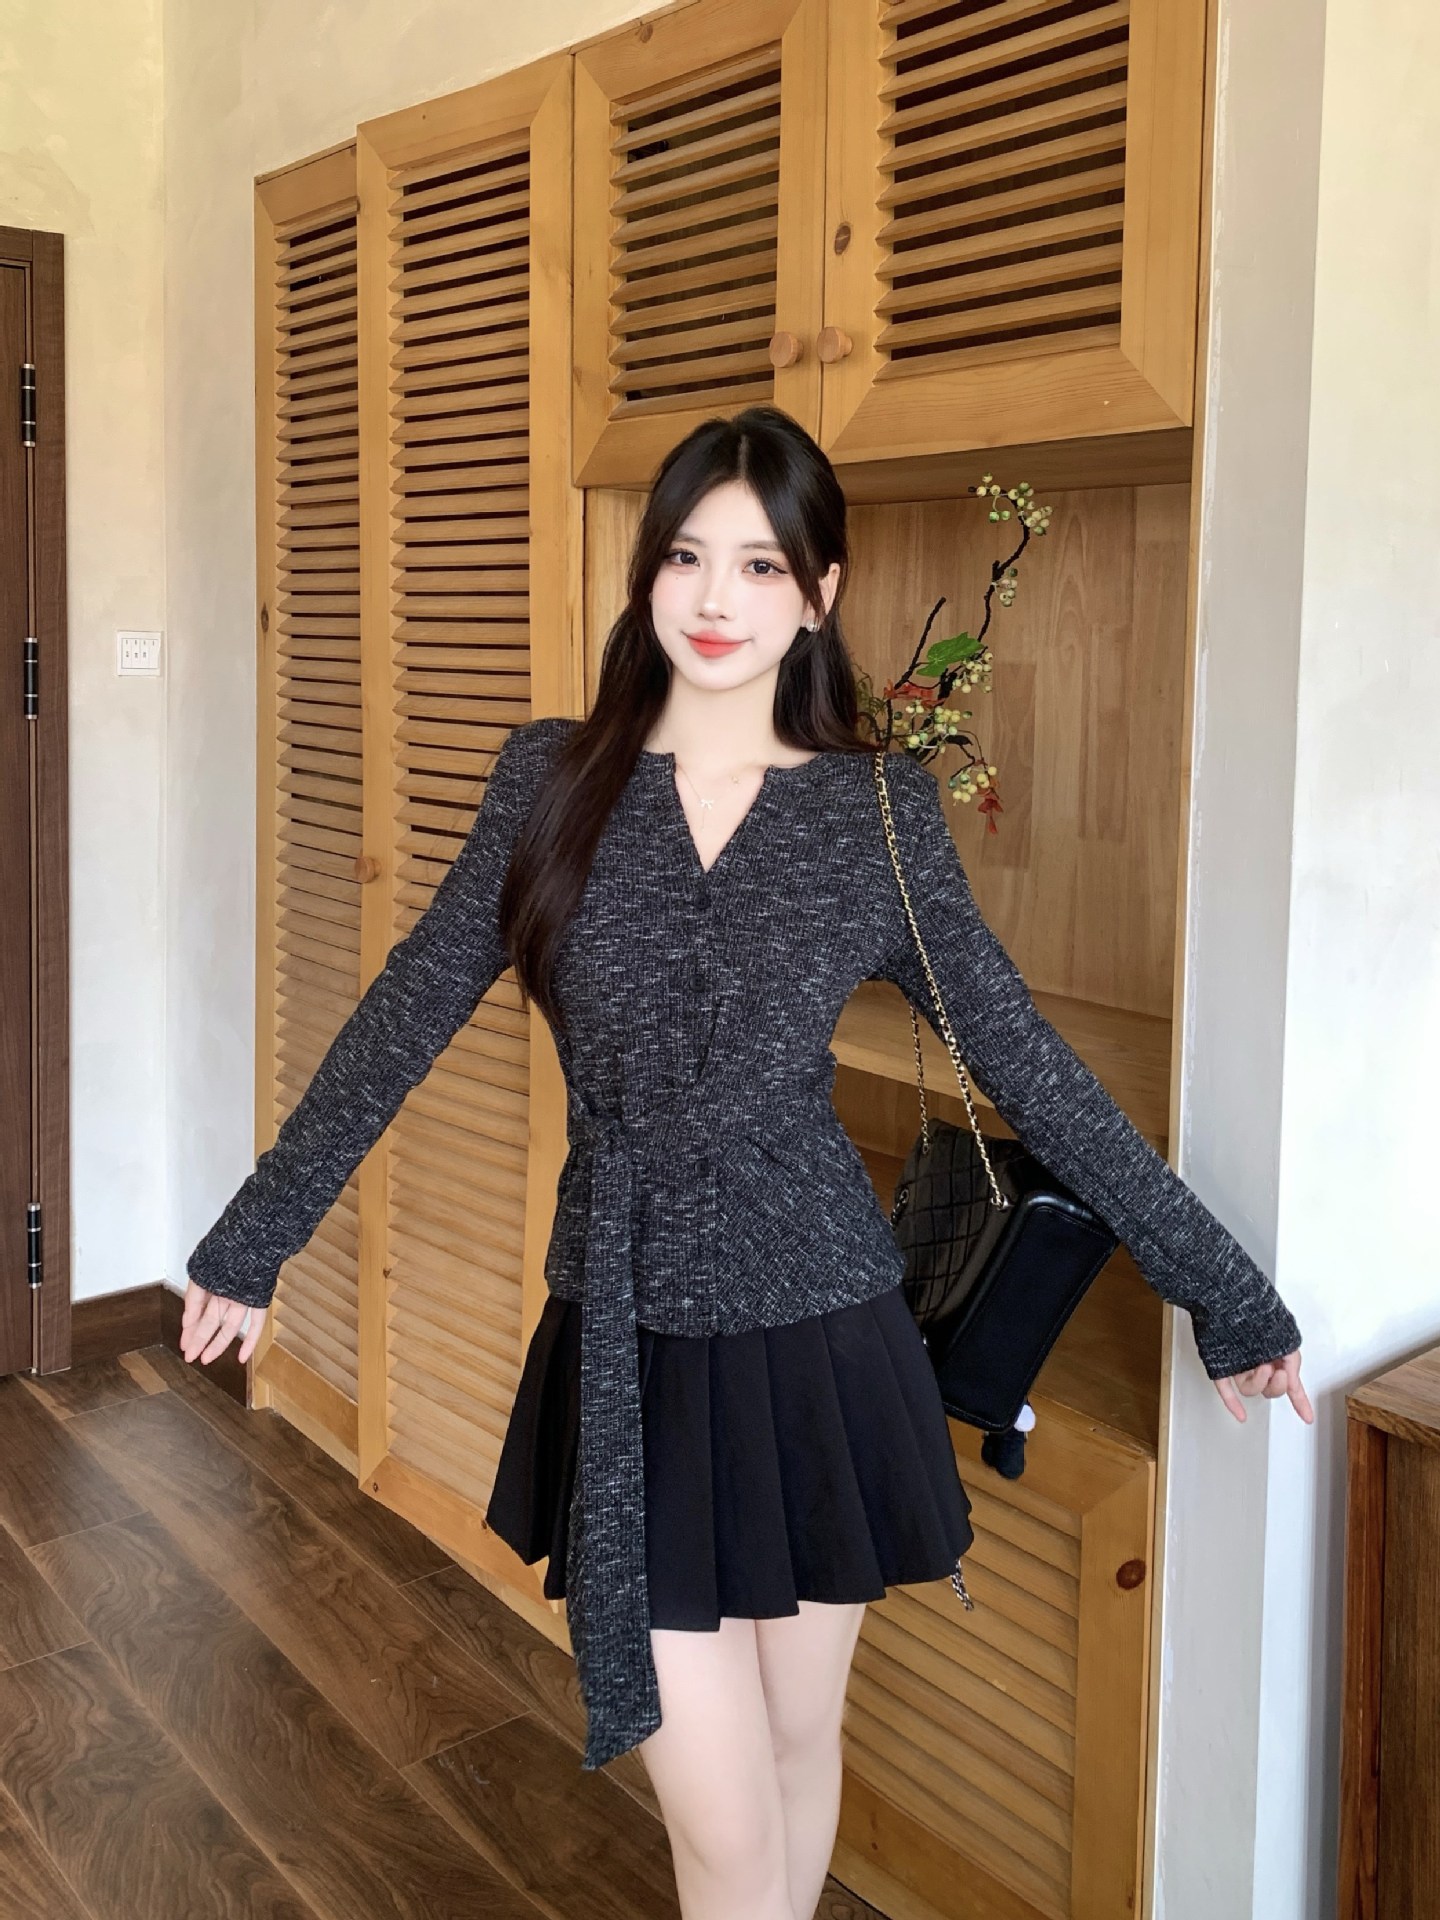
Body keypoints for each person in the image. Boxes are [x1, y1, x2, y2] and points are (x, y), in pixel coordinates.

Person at [182, 405, 1311, 1920]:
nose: (717, 599)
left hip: (828, 1337)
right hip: (631, 1335)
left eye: (762, 566)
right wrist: (255, 1240)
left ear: (820, 592)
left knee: (792, 1743)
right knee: (716, 1821)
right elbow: (403, 1017)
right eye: (687, 558)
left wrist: (1224, 1293)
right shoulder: (548, 782)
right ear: (648, 573)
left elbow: (1027, 1062)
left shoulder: (877, 815)